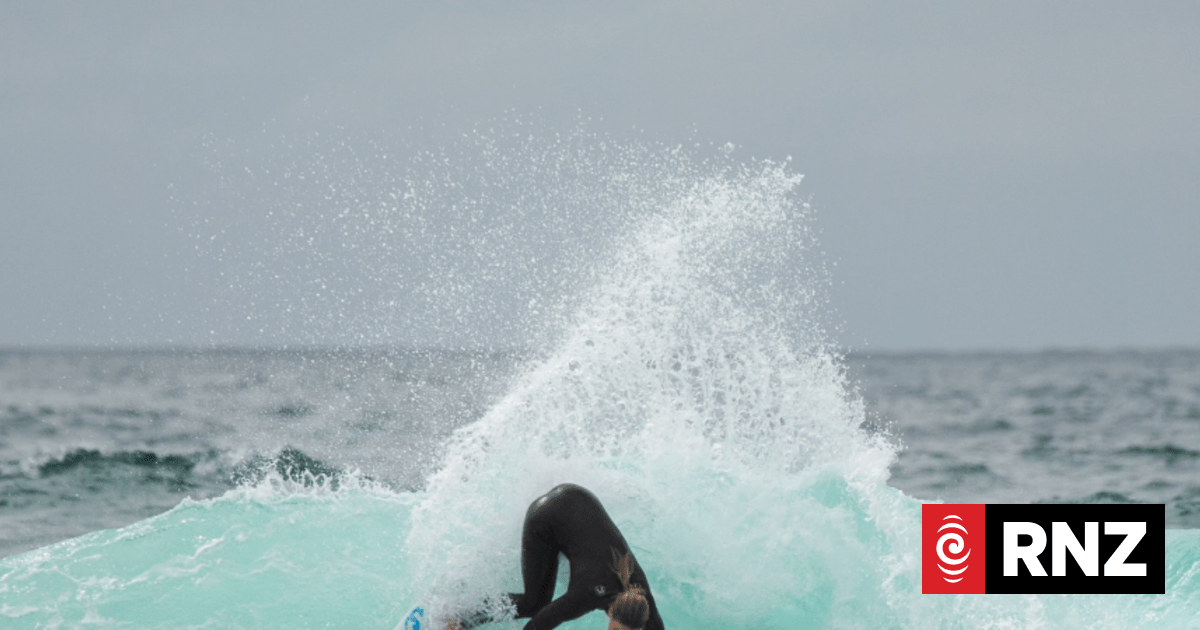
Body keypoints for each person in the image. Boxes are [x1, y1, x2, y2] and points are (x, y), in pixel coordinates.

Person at [449, 483, 665, 630]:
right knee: (533, 604)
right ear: (611, 617)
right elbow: (534, 627)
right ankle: (458, 617)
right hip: (545, 517)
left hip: (577, 495)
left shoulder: (641, 597)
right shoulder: (586, 596)